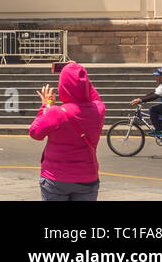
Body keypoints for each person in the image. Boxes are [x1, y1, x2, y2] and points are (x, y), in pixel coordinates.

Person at [31, 62, 106, 201]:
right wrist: (81, 75)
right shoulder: (99, 110)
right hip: (87, 178)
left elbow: (35, 132)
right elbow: (94, 96)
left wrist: (45, 106)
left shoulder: (56, 113)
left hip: (55, 178)